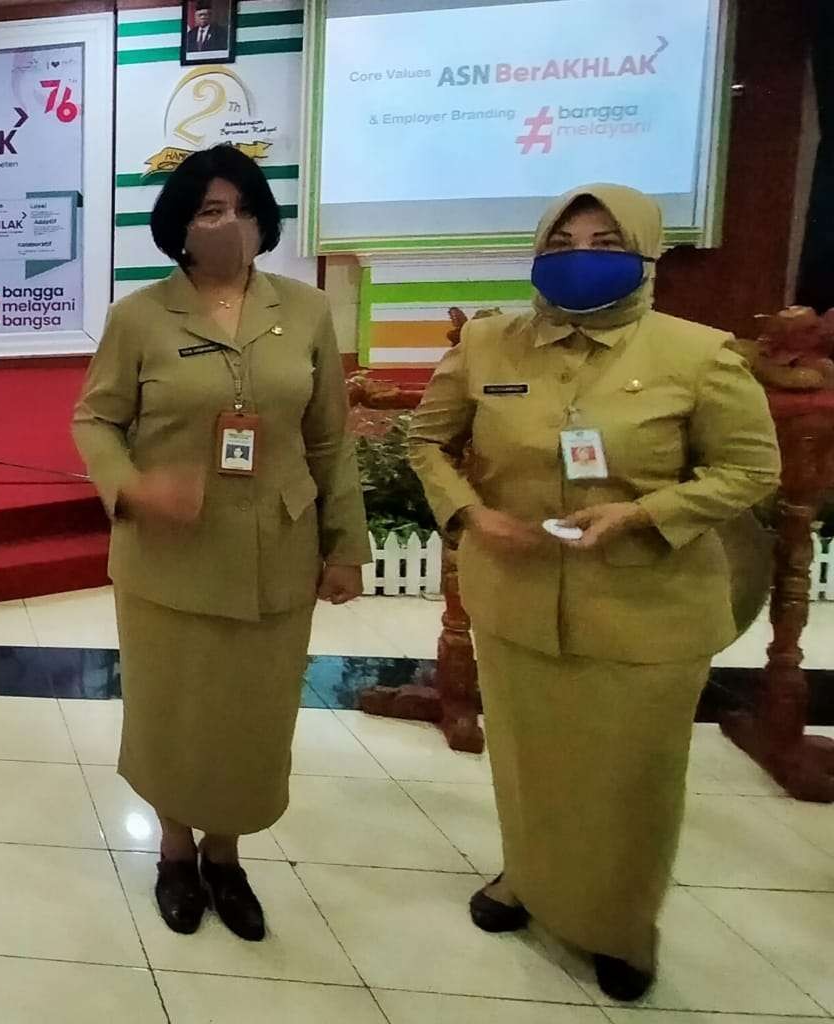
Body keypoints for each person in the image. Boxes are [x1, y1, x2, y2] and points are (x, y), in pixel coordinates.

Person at [408, 183, 781, 1001]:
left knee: (630, 777)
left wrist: (648, 512)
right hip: (515, 597)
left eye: (604, 239)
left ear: (646, 250)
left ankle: (621, 925)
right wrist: (470, 515)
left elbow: (751, 472)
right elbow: (428, 439)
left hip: (647, 607)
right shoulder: (489, 347)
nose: (580, 254)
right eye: (563, 239)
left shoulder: (698, 354)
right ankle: (526, 881)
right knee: (528, 759)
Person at [72, 145, 369, 942]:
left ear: (264, 217)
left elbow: (331, 440)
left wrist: (347, 546)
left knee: (251, 714)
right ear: (180, 225)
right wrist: (132, 485)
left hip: (278, 547)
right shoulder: (137, 317)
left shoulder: (305, 311)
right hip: (169, 554)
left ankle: (226, 856)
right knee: (175, 707)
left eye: (241, 206)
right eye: (209, 210)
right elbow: (94, 418)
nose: (228, 223)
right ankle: (174, 852)